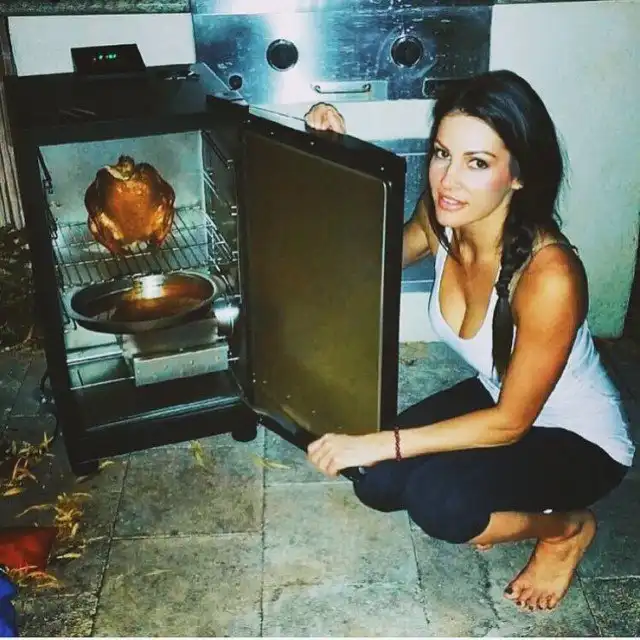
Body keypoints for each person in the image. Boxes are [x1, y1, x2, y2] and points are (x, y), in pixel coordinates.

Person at [304, 70, 635, 612]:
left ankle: (566, 529)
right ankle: (497, 503)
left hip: (577, 439)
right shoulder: (444, 216)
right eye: (442, 154)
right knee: (376, 482)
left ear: (519, 176)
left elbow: (510, 424)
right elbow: (370, 257)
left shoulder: (549, 276)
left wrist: (380, 441)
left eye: (477, 163)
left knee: (439, 502)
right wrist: (331, 160)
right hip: (497, 395)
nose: (448, 180)